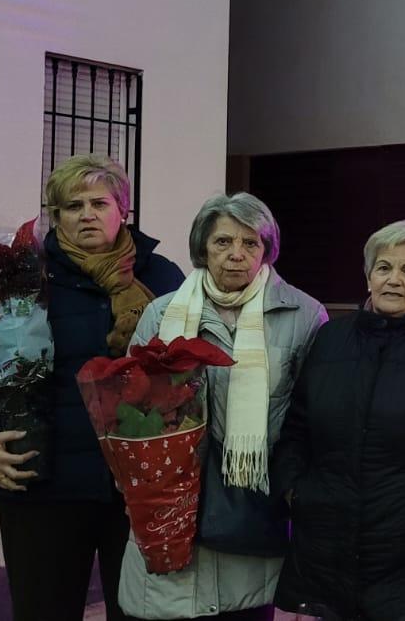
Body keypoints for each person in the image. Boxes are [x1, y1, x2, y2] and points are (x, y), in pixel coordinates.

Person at [0, 154, 184, 621]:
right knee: (43, 609)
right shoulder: (17, 276)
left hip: (136, 485)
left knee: (143, 612)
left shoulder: (162, 277)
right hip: (42, 480)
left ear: (123, 210)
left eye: (99, 202)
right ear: (55, 215)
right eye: (72, 206)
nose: (87, 214)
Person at [117, 193, 326, 620]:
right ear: (202, 247)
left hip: (255, 505)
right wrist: (134, 482)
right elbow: (129, 412)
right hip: (173, 502)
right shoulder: (162, 314)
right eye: (223, 242)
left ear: (267, 249)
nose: (236, 255)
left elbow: (315, 414)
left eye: (251, 244)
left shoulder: (304, 314)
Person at [273, 220, 405, 621]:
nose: (394, 280)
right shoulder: (329, 340)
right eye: (384, 267)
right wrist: (294, 491)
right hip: (329, 544)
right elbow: (297, 426)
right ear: (368, 275)